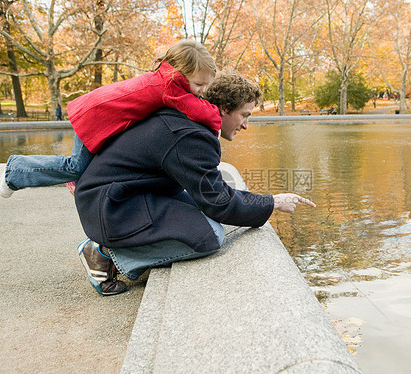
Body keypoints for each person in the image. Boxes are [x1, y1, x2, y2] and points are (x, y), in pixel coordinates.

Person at [75, 71, 315, 296]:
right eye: (244, 115)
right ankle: (105, 254)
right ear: (224, 109)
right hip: (111, 205)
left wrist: (264, 202)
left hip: (117, 195)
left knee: (201, 216)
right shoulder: (191, 136)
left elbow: (212, 193)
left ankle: (111, 246)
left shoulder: (189, 121)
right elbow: (219, 203)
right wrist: (272, 202)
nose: (245, 125)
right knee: (208, 237)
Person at [0, 39, 221, 198]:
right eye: (199, 84)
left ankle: (75, 181)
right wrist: (217, 122)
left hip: (98, 113)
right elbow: (198, 110)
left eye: (205, 85)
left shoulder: (164, 78)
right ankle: (15, 172)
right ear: (179, 73)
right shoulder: (170, 86)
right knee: (75, 166)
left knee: (84, 167)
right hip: (94, 118)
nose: (201, 90)